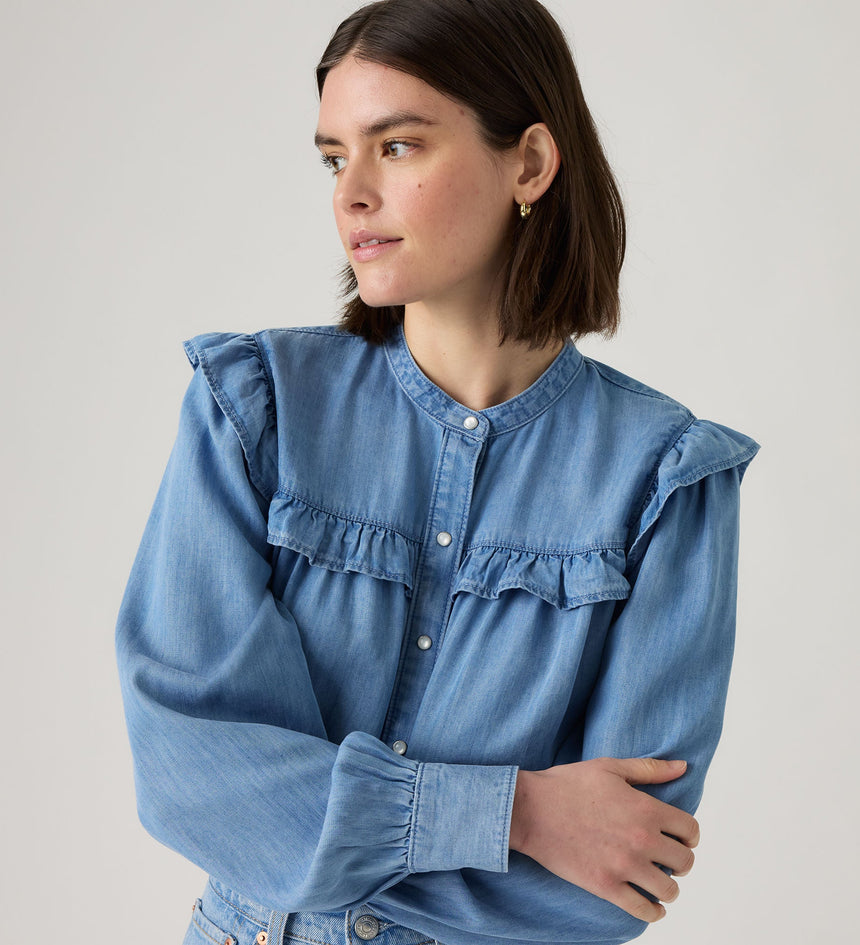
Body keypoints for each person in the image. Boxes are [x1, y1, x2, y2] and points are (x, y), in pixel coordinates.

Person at [116, 1, 759, 944]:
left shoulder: (665, 481)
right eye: (334, 158)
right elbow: (189, 773)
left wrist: (307, 832)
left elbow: (610, 878)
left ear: (529, 164)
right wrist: (518, 813)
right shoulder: (257, 406)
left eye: (398, 146)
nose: (351, 194)